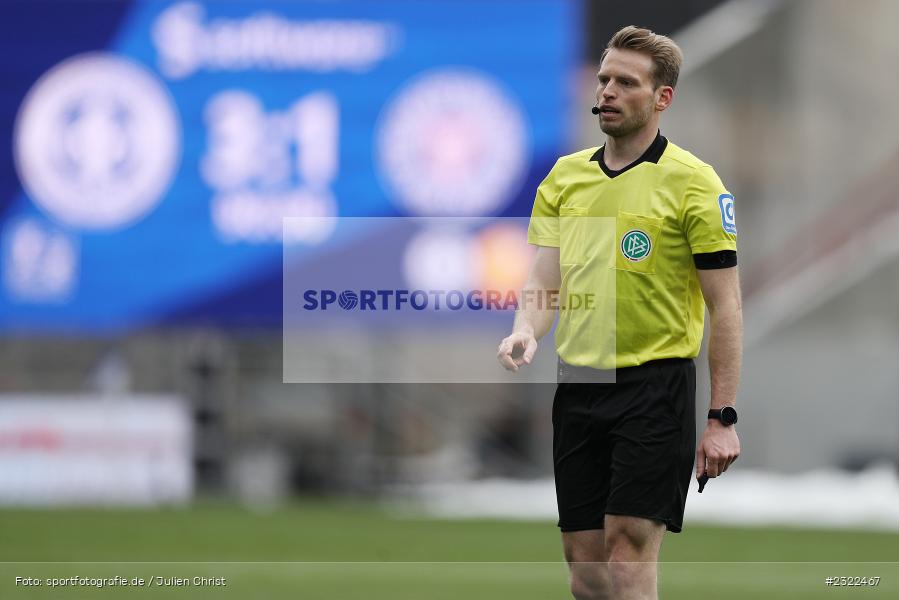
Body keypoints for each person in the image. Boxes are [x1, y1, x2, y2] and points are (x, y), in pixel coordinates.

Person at [497, 26, 742, 600]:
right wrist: (524, 330)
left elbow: (724, 304)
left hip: (654, 386)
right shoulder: (564, 177)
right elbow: (544, 278)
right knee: (586, 570)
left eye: (625, 82)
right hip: (579, 382)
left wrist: (722, 417)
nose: (607, 90)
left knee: (628, 548)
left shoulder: (695, 184)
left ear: (662, 98)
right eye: (604, 78)